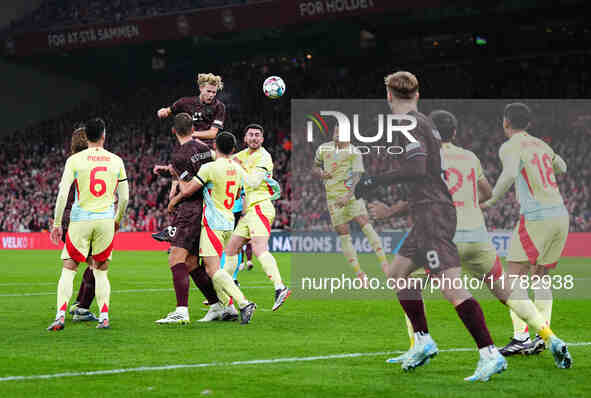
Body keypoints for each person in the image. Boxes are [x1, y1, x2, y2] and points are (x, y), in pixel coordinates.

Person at [372, 109, 571, 370]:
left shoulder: (429, 157)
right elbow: (486, 192)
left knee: (405, 279)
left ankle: (416, 346)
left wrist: (388, 212)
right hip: (477, 235)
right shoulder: (469, 157)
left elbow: (420, 199)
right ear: (454, 132)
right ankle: (550, 338)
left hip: (443, 234)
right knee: (506, 289)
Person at [355, 71, 506, 382]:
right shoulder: (422, 122)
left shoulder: (408, 123)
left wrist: (374, 180)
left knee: (451, 287)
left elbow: (416, 167)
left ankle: (490, 353)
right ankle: (423, 340)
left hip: (433, 214)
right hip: (429, 212)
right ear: (418, 95)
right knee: (397, 274)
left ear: (388, 96)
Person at [481, 103, 571, 364]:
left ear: (505, 122)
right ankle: (543, 338)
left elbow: (509, 174)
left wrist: (490, 201)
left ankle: (521, 338)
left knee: (513, 277)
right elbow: (562, 167)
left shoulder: (510, 146)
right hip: (560, 215)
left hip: (536, 218)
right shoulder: (541, 145)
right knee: (540, 276)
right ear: (528, 124)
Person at [48, 118, 129, 331]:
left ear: (87, 137)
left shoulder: (74, 160)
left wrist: (57, 223)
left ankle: (60, 316)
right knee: (100, 270)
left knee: (69, 268)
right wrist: (117, 219)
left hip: (80, 219)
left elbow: (63, 193)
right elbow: (126, 197)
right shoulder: (116, 160)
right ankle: (104, 317)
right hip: (105, 219)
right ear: (103, 135)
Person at [153, 113, 234, 324]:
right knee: (190, 262)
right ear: (193, 128)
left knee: (175, 258)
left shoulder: (179, 156)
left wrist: (173, 199)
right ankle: (218, 306)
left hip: (190, 211)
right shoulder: (204, 149)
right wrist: (171, 173)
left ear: (174, 131)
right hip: (208, 209)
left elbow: (187, 187)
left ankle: (181, 311)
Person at [171, 131, 256, 324]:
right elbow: (244, 192)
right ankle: (228, 307)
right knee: (214, 270)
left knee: (213, 270)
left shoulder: (209, 168)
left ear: (215, 147)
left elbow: (187, 190)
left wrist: (177, 174)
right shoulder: (237, 168)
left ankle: (243, 303)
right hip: (229, 221)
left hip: (213, 223)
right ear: (234, 149)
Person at [224, 124, 290, 311]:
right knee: (231, 249)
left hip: (261, 206)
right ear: (245, 138)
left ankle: (280, 287)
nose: (254, 138)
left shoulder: (264, 157)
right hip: (249, 211)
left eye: (257, 135)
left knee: (259, 248)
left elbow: (252, 182)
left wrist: (237, 168)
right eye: (251, 135)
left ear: (261, 139)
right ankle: (228, 287)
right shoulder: (240, 156)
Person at [153, 73, 225, 242]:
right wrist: (162, 112)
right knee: (175, 193)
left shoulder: (218, 107)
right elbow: (168, 111)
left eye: (214, 92)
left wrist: (191, 135)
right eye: (208, 91)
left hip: (204, 153)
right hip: (185, 153)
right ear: (201, 88)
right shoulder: (185, 103)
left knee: (191, 192)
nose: (211, 95)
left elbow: (213, 133)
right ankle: (175, 229)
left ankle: (184, 229)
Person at [313, 124, 389, 284]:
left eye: (341, 132)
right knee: (343, 234)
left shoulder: (354, 151)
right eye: (335, 131)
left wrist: (348, 195)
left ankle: (385, 265)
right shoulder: (323, 148)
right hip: (333, 198)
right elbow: (315, 167)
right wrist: (321, 172)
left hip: (351, 195)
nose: (337, 134)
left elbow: (356, 176)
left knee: (364, 222)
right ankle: (360, 275)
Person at [63, 126, 98, 322]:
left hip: (68, 219)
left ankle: (77, 304)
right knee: (97, 263)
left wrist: (57, 222)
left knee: (76, 263)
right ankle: (82, 308)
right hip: (83, 218)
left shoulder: (71, 162)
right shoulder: (90, 164)